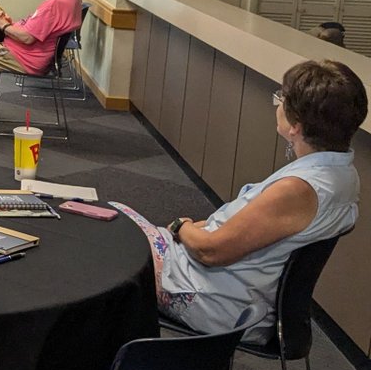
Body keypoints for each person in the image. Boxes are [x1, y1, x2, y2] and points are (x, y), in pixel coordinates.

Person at [114, 60, 365, 344]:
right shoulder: (342, 172)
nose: (277, 104)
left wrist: (179, 226)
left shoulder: (298, 189)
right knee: (113, 217)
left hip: (211, 296)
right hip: (225, 284)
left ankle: (110, 360)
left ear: (296, 126)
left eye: (281, 98)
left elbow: (210, 252)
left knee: (111, 234)